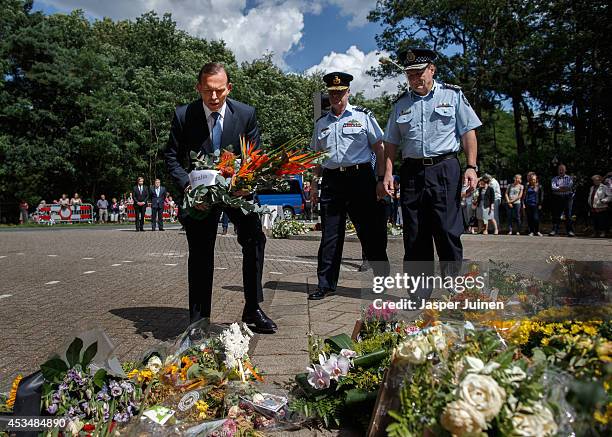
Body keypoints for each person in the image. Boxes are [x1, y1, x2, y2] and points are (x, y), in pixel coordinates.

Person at [164, 62, 275, 333]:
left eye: (220, 91)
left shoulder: (246, 115)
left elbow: (254, 157)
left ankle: (253, 309)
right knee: (201, 253)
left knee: (254, 239)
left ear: (229, 88)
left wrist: (244, 183)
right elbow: (171, 158)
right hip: (200, 194)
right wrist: (188, 187)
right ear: (199, 87)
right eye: (208, 91)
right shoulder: (183, 116)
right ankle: (199, 320)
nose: (214, 98)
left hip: (236, 190)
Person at [381, 47, 481, 295]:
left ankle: (452, 287)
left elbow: (468, 131)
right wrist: (387, 173)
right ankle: (419, 292)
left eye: (419, 73)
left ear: (432, 70)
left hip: (445, 168)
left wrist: (471, 166)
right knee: (415, 234)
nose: (415, 79)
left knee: (447, 230)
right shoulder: (401, 105)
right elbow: (390, 143)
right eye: (410, 75)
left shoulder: (452, 95)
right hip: (412, 172)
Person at [308, 71, 389, 300]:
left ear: (348, 92)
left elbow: (379, 148)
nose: (336, 97)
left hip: (360, 178)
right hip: (332, 180)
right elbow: (317, 157)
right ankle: (326, 284)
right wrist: (314, 185)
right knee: (330, 235)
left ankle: (381, 280)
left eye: (340, 92)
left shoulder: (363, 116)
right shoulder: (321, 123)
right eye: (332, 93)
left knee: (369, 232)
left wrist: (381, 178)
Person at [550, 164, 575, 236]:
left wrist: (559, 188)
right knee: (556, 215)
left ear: (565, 170)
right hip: (557, 198)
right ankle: (554, 231)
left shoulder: (569, 178)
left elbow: (569, 187)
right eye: (559, 169)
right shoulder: (554, 179)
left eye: (562, 169)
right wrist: (563, 188)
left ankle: (570, 231)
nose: (561, 171)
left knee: (568, 215)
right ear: (557, 170)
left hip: (568, 198)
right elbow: (553, 188)